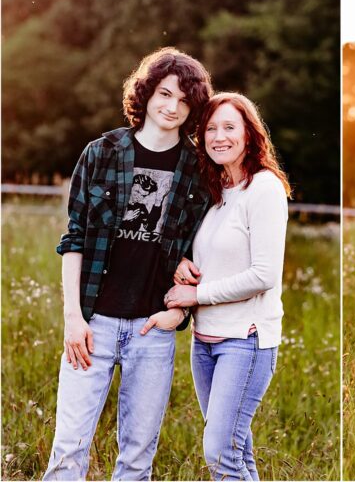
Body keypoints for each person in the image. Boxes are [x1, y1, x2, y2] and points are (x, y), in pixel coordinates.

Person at [46, 47, 213, 480]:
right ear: (146, 93)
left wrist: (177, 312)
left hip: (151, 330)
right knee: (68, 450)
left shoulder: (200, 169)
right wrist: (73, 318)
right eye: (164, 93)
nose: (172, 107)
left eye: (184, 100)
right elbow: (75, 239)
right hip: (93, 323)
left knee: (138, 459)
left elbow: (207, 251)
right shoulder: (101, 153)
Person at [163, 92, 291, 480]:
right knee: (236, 451)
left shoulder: (264, 188)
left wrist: (195, 295)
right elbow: (213, 259)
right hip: (205, 343)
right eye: (211, 129)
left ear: (249, 135)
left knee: (219, 451)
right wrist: (184, 266)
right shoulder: (215, 194)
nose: (219, 136)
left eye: (229, 127)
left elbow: (264, 274)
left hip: (246, 340)